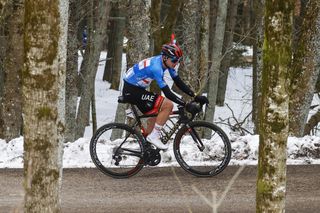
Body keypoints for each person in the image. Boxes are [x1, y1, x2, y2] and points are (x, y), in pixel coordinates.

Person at [122, 42, 208, 149]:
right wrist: (185, 105)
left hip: (137, 89)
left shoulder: (166, 62)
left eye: (178, 60)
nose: (176, 63)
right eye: (174, 60)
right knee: (168, 105)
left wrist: (195, 96)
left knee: (157, 113)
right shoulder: (156, 68)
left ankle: (146, 149)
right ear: (165, 57)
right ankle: (154, 137)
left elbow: (178, 82)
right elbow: (167, 93)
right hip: (131, 90)